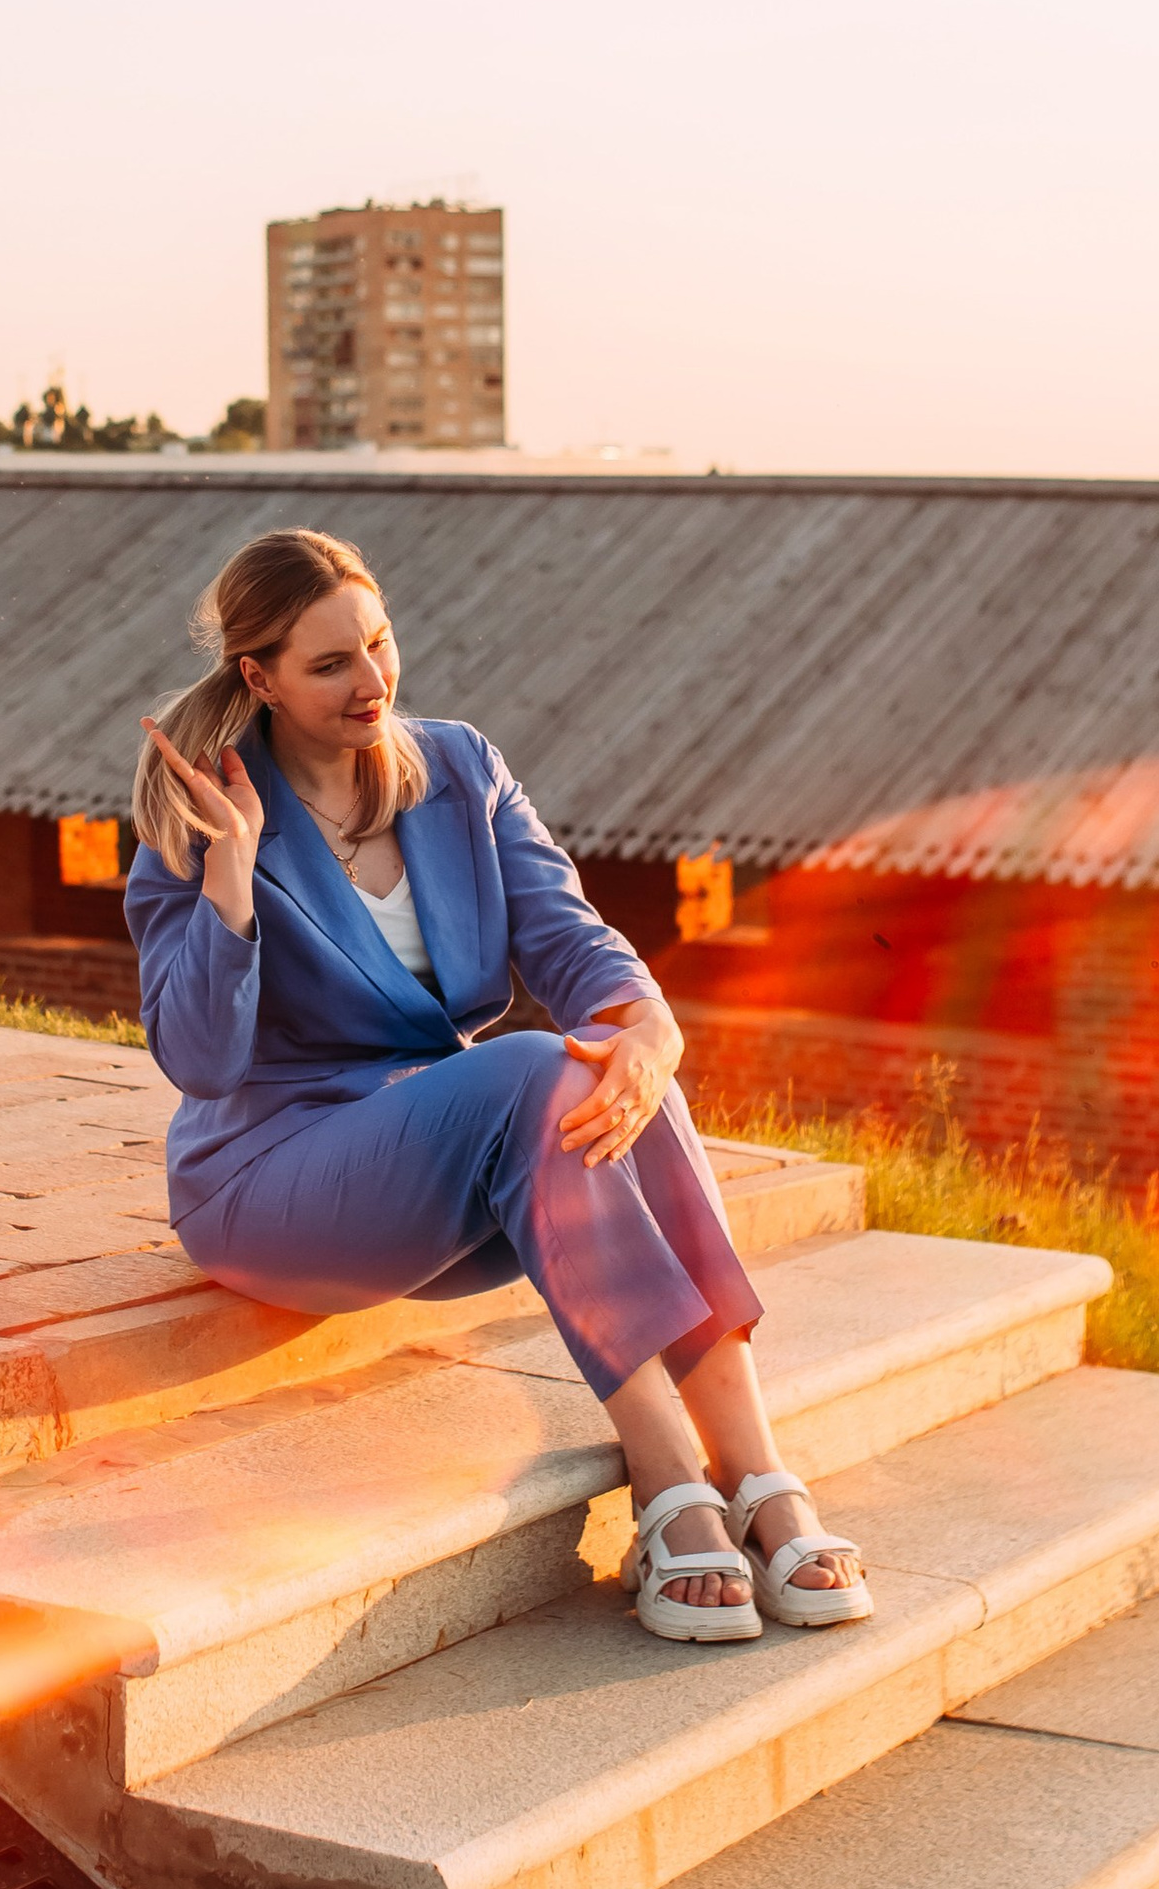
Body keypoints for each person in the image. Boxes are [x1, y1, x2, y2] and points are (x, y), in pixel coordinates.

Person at [126, 525, 868, 1641]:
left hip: (440, 1174)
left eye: (377, 645)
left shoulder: (457, 769)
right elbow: (197, 1059)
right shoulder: (207, 814)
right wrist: (229, 886)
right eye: (329, 664)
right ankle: (667, 1473)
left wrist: (648, 1028)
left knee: (619, 1059)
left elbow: (568, 938)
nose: (371, 682)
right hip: (271, 1183)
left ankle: (754, 1466)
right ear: (257, 677)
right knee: (534, 1065)